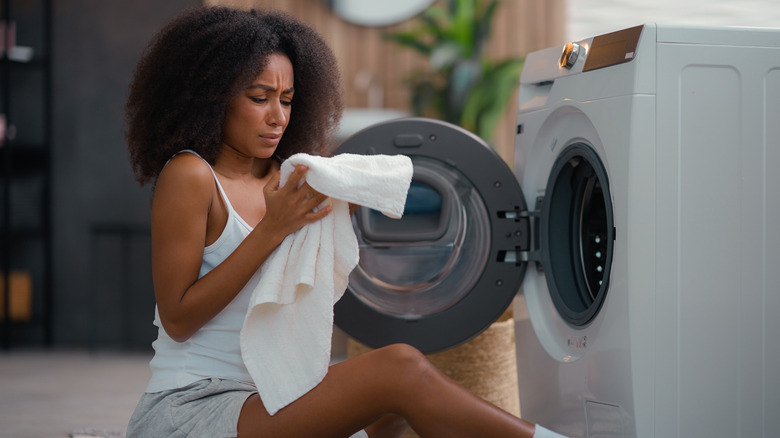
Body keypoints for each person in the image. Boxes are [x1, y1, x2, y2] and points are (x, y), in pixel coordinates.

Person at [125, 6, 564, 438]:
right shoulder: (191, 176)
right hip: (194, 409)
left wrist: (333, 219)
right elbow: (179, 318)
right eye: (259, 98)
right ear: (211, 95)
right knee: (399, 368)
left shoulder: (290, 178)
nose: (277, 117)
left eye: (288, 99)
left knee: (390, 410)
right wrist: (273, 230)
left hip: (268, 394)